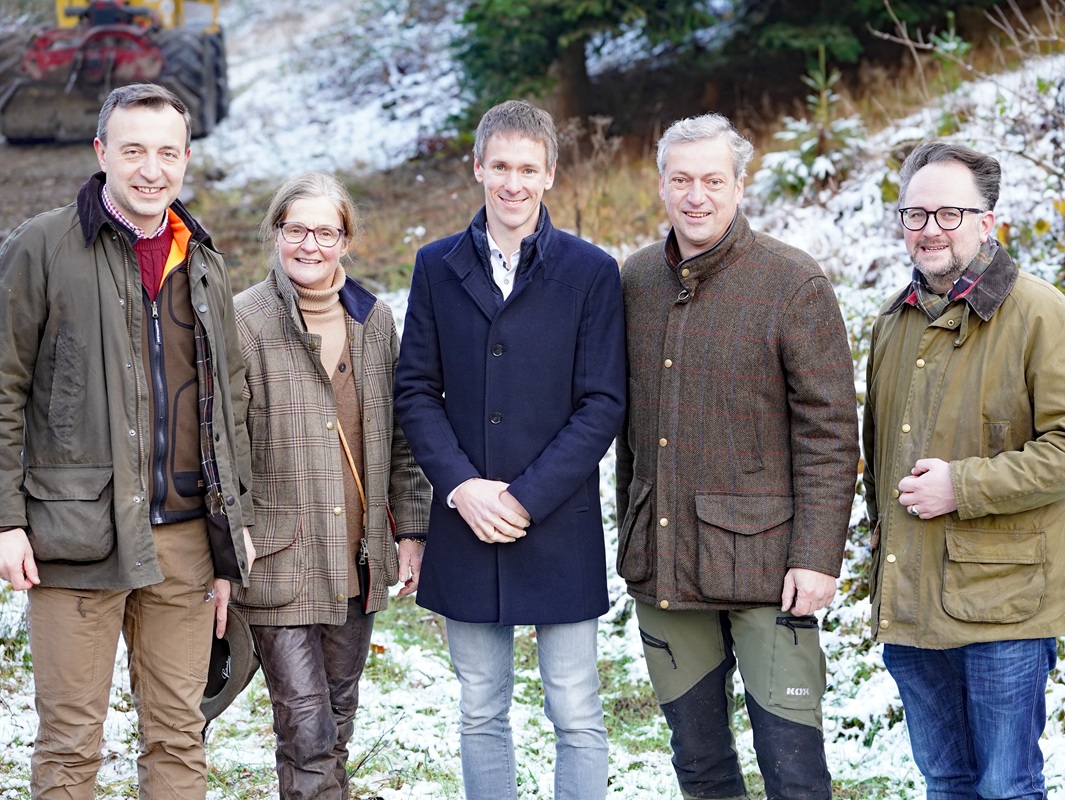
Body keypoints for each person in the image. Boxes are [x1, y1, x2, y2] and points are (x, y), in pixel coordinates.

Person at [0, 83, 255, 800]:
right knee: (70, 742)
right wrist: (6, 520)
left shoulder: (201, 261)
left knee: (178, 734)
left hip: (182, 542)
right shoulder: (42, 247)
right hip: (73, 537)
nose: (152, 169)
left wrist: (230, 537)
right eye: (134, 150)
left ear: (185, 159)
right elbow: (3, 390)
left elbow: (228, 405)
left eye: (167, 152)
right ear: (101, 152)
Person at [615, 112, 859, 800]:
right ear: (661, 185)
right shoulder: (633, 282)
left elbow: (830, 432)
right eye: (681, 179)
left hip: (768, 568)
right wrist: (631, 532)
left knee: (793, 772)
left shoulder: (792, 282)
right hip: (665, 560)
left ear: (738, 185)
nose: (696, 195)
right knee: (698, 764)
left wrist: (817, 556)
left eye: (712, 180)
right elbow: (626, 431)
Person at [393, 99, 626, 800]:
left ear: (549, 174)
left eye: (528, 168)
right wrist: (463, 489)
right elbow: (414, 391)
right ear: (477, 168)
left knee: (576, 711)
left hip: (556, 521)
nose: (513, 183)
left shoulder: (590, 271)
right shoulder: (436, 266)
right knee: (479, 709)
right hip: (464, 521)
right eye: (500, 166)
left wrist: (522, 496)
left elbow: (601, 403)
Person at [863, 141, 1065, 800]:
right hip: (913, 601)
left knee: (1006, 786)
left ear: (987, 221)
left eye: (948, 214)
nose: (927, 229)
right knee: (946, 784)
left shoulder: (1039, 313)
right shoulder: (893, 323)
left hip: (1003, 608)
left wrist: (962, 485)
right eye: (914, 214)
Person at [232, 171, 431, 799]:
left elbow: (403, 435)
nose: (309, 245)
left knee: (335, 725)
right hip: (279, 557)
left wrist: (413, 529)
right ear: (276, 234)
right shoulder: (244, 321)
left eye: (325, 232)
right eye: (296, 230)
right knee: (308, 729)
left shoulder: (375, 320)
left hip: (357, 554)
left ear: (346, 239)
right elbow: (220, 446)